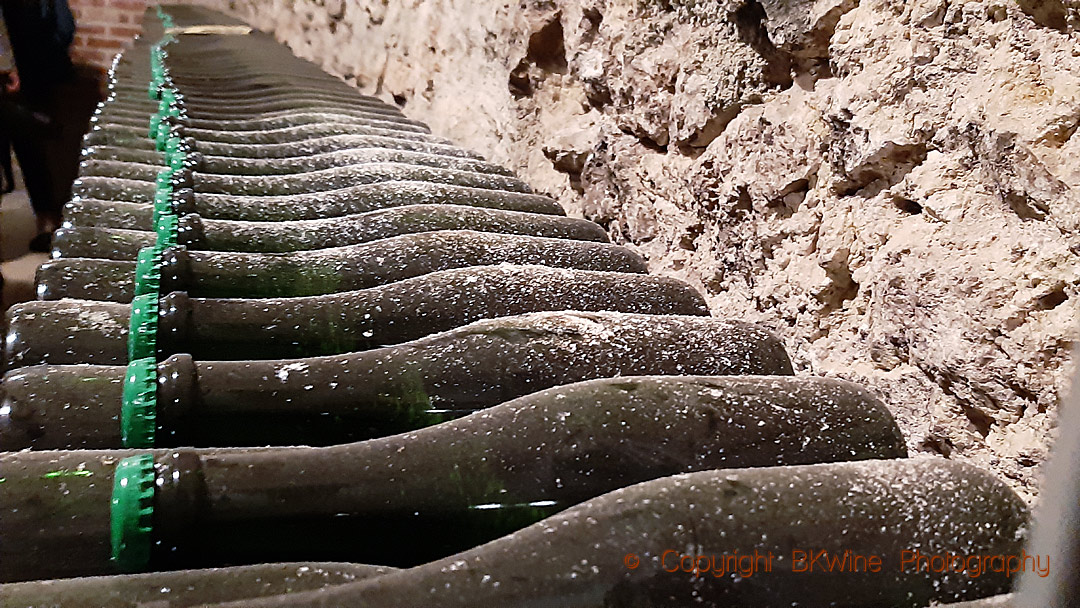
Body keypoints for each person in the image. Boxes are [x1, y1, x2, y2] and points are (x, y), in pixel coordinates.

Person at [0, 0, 75, 252]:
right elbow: (65, 26)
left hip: (19, 69)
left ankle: (49, 220)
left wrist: (7, 65)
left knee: (33, 147)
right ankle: (51, 221)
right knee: (38, 147)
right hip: (37, 66)